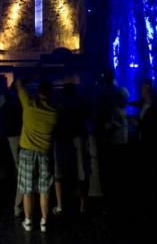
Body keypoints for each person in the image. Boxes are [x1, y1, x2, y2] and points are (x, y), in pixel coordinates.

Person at [16, 77, 58, 233]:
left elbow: (19, 83)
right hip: (44, 153)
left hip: (27, 152)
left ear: (38, 92)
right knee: (44, 190)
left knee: (27, 189)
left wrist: (29, 77)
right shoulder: (54, 113)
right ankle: (44, 222)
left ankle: (28, 221)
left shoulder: (29, 105)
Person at [94, 68, 130, 214]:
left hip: (107, 139)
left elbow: (98, 114)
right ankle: (120, 200)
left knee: (107, 171)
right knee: (119, 170)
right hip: (121, 139)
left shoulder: (102, 94)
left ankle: (108, 201)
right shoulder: (122, 92)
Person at [53, 82, 90, 215]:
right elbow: (87, 117)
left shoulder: (60, 103)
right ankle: (83, 205)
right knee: (82, 173)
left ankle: (61, 205)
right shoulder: (81, 101)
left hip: (63, 139)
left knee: (60, 172)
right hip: (79, 137)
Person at [133, 80, 157, 213]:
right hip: (146, 144)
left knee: (153, 173)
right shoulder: (145, 104)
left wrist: (138, 124)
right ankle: (151, 200)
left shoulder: (155, 108)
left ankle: (154, 201)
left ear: (147, 90)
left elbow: (152, 128)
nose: (140, 92)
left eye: (142, 89)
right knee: (149, 173)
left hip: (152, 146)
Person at [0, 76, 24, 216]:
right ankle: (18, 205)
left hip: (9, 136)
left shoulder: (5, 97)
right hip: (18, 135)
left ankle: (16, 204)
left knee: (15, 170)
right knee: (20, 170)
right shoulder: (20, 98)